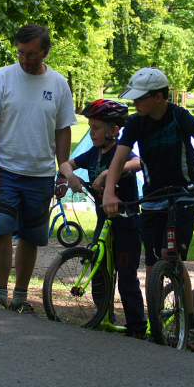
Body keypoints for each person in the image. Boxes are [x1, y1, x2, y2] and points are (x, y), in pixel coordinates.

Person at [102, 67, 194, 339]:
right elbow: (118, 160)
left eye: (140, 98)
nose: (135, 104)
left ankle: (190, 322)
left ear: (158, 97)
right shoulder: (135, 122)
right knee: (151, 262)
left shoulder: (179, 117)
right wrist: (111, 192)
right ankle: (155, 319)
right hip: (154, 195)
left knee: (172, 256)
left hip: (186, 193)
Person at [0, 24, 77, 315]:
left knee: (32, 236)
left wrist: (62, 169)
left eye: (31, 54)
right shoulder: (3, 77)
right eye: (20, 53)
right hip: (5, 171)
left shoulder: (58, 83)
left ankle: (20, 297)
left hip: (41, 174)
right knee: (2, 230)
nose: (25, 59)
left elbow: (63, 130)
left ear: (45, 52)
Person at [59, 99, 147, 338]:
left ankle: (137, 327)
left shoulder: (122, 151)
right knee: (98, 268)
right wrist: (70, 177)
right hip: (103, 222)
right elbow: (65, 164)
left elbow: (139, 162)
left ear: (114, 130)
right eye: (90, 127)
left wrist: (111, 171)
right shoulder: (93, 154)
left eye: (96, 128)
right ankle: (103, 315)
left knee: (126, 277)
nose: (92, 132)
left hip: (127, 223)